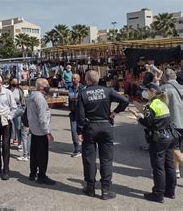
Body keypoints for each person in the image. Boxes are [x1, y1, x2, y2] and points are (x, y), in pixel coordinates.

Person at [77, 70, 129, 200]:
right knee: (106, 159)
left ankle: (90, 188)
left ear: (87, 80)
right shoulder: (108, 91)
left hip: (90, 127)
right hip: (106, 126)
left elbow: (80, 116)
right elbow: (125, 101)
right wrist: (115, 112)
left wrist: (79, 131)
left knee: (89, 158)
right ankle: (105, 190)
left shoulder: (83, 94)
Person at [129, 83, 177, 203]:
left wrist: (139, 117)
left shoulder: (152, 105)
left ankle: (158, 194)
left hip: (159, 139)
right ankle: (170, 191)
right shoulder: (162, 103)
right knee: (169, 165)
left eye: (145, 90)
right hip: (170, 136)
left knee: (158, 167)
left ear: (151, 91)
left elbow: (148, 123)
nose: (144, 93)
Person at [26, 78, 56, 185]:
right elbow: (42, 117)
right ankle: (42, 176)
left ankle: (33, 173)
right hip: (40, 131)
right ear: (41, 87)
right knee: (42, 155)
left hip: (33, 129)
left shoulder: (31, 96)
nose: (49, 86)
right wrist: (47, 132)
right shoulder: (40, 98)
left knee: (34, 153)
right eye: (47, 84)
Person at [160, 69, 183, 179]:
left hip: (173, 122)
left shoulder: (164, 88)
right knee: (179, 149)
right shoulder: (182, 87)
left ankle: (176, 170)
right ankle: (176, 170)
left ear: (165, 77)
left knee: (174, 148)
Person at [68, 74, 86, 157]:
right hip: (73, 113)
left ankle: (85, 148)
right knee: (73, 131)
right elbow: (70, 99)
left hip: (82, 114)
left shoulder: (84, 88)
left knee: (83, 131)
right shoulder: (70, 88)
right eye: (72, 78)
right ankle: (77, 149)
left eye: (75, 78)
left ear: (79, 79)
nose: (73, 79)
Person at [16, 81, 30, 161]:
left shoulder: (25, 93)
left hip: (25, 119)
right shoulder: (31, 93)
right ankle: (28, 154)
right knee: (28, 137)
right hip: (30, 120)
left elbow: (23, 107)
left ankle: (25, 155)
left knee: (25, 137)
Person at [8, 78, 24, 146]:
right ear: (10, 82)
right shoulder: (7, 90)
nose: (15, 83)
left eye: (16, 82)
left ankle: (20, 143)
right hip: (9, 109)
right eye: (13, 82)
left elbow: (22, 100)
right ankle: (12, 139)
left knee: (18, 126)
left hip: (18, 108)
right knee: (9, 126)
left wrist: (23, 109)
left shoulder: (19, 90)